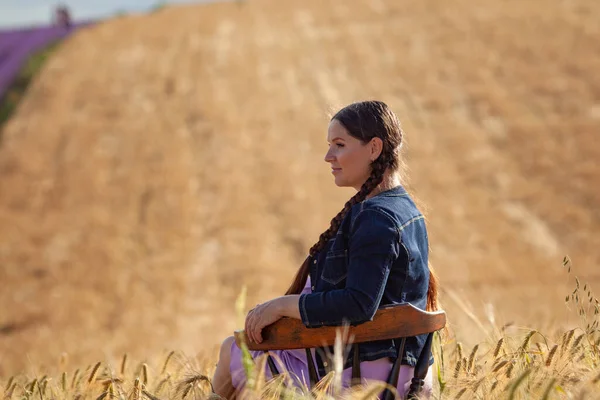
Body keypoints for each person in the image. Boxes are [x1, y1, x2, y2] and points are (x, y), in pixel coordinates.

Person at [211, 100, 439, 399]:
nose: (328, 156)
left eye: (340, 145)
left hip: (364, 375)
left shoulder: (376, 217)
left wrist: (281, 306)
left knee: (233, 350)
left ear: (374, 148)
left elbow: (358, 304)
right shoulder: (405, 209)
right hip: (407, 372)